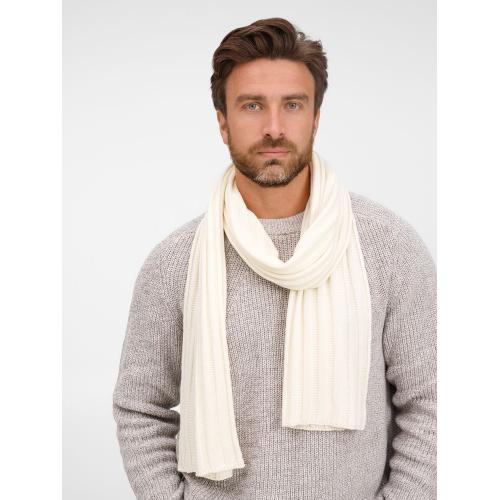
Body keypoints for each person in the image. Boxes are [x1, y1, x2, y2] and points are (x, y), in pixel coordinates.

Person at [112, 17, 436, 500]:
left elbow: (433, 402)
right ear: (223, 122)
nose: (274, 128)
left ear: (316, 118)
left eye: (292, 104)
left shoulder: (389, 247)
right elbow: (140, 408)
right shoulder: (175, 262)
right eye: (252, 105)